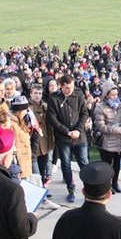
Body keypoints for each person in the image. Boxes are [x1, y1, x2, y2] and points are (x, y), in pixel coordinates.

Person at [47, 74, 89, 202]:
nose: (69, 90)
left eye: (71, 87)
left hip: (79, 137)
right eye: (66, 88)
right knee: (66, 164)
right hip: (63, 138)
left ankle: (90, 188)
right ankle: (71, 189)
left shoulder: (78, 95)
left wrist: (78, 129)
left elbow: (84, 113)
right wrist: (66, 131)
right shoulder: (54, 98)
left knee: (84, 163)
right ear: (61, 86)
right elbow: (52, 119)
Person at [93, 80, 121, 193]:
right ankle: (107, 185)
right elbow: (101, 126)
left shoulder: (120, 105)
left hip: (120, 139)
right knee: (107, 165)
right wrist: (116, 129)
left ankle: (115, 182)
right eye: (112, 94)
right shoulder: (100, 108)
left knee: (117, 164)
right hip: (107, 141)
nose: (115, 96)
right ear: (106, 94)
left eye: (116, 94)